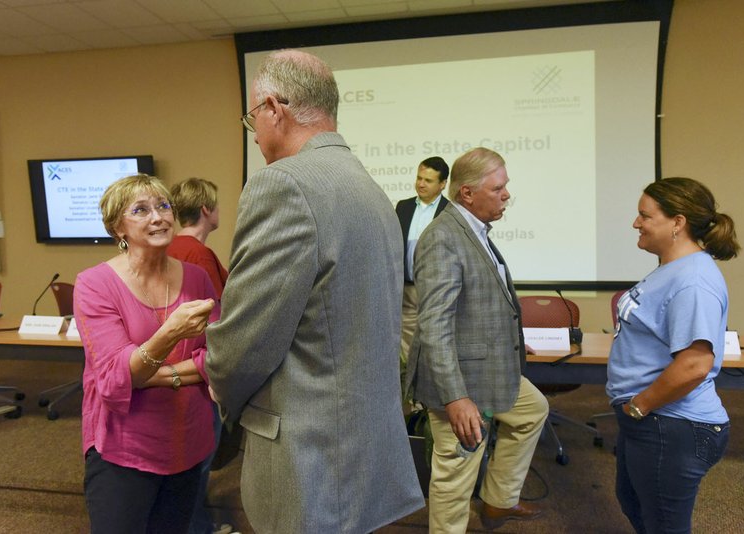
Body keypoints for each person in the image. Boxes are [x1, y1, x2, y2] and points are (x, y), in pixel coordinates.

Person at [205, 49, 423, 534]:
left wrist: (220, 391)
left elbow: (243, 345)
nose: (255, 134)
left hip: (310, 458)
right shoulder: (369, 187)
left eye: (251, 119)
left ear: (274, 109)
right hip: (360, 446)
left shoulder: (283, 185)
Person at [405, 147, 549, 533]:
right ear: (467, 193)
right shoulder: (442, 238)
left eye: (506, 188)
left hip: (490, 367)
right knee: (455, 473)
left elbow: (481, 302)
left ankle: (498, 502)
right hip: (461, 382)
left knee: (532, 411)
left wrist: (509, 340)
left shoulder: (474, 231)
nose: (506, 196)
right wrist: (456, 397)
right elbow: (434, 324)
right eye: (498, 188)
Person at [74, 174, 219, 533]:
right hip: (124, 449)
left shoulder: (197, 278)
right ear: (118, 228)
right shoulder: (94, 284)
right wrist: (171, 334)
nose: (158, 217)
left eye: (163, 206)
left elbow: (216, 359)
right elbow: (113, 380)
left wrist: (150, 374)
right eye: (141, 210)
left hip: (188, 441)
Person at [607, 177, 739, 534]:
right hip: (655, 420)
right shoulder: (673, 270)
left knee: (664, 524)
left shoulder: (694, 280)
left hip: (672, 424)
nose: (636, 223)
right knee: (635, 504)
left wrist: (640, 406)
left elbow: (695, 364)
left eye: (645, 216)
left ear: (677, 222)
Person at [167, 177, 233, 534]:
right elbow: (217, 319)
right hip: (195, 371)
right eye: (218, 205)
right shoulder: (199, 255)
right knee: (199, 460)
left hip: (172, 365)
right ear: (206, 210)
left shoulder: (171, 247)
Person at [395, 157, 450, 368]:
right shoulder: (404, 207)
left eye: (428, 180)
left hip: (436, 289)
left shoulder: (450, 210)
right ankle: (410, 395)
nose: (421, 183)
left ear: (442, 184)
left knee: (433, 344)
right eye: (419, 178)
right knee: (406, 346)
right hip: (407, 289)